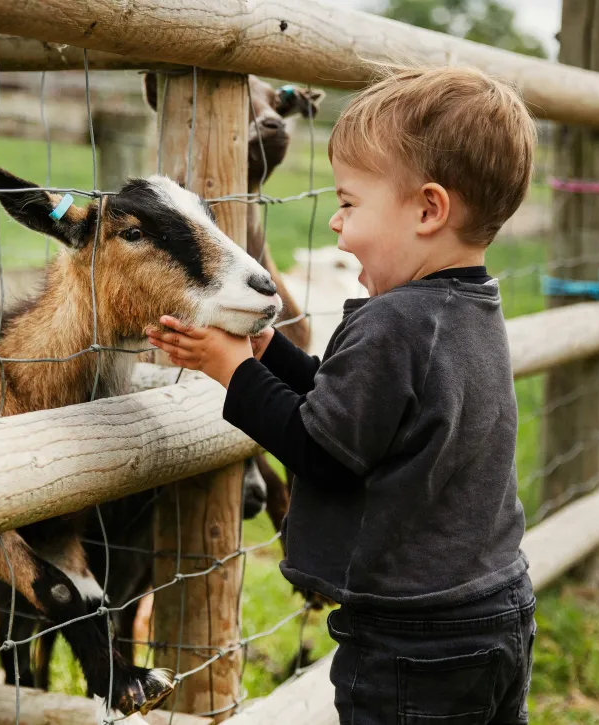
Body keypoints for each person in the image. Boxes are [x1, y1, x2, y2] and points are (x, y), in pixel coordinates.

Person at [147, 64, 538, 725]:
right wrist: (275, 355)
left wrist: (231, 368)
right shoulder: (470, 307)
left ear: (427, 209)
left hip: (413, 639)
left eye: (350, 203)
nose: (334, 221)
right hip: (494, 610)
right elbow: (366, 409)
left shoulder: (393, 320)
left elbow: (322, 447)